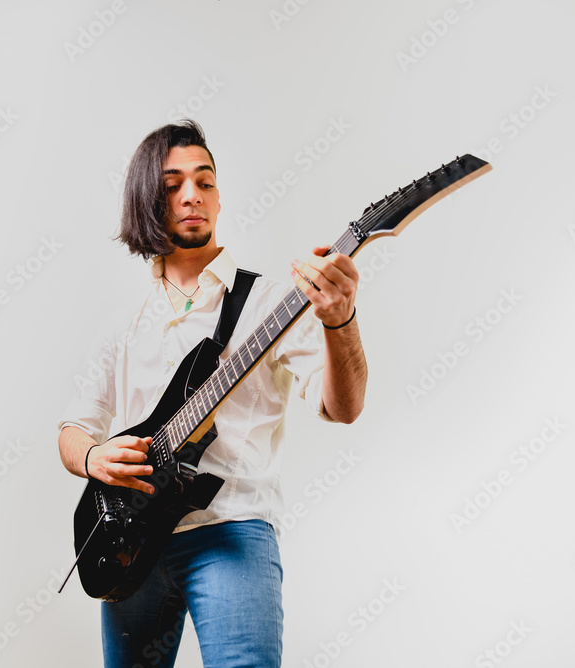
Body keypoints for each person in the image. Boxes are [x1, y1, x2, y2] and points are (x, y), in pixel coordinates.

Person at [58, 119, 367, 667]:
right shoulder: (123, 326)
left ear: (219, 198)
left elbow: (342, 407)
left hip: (233, 534)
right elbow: (74, 429)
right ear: (145, 201)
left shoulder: (272, 302)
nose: (192, 195)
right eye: (173, 183)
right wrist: (93, 455)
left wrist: (340, 322)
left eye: (205, 181)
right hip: (132, 541)